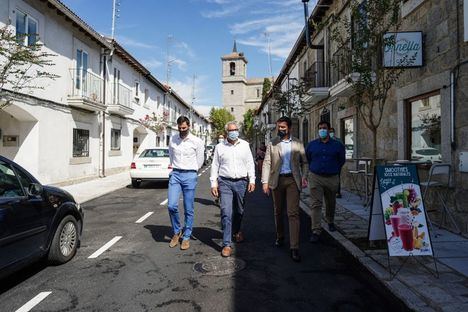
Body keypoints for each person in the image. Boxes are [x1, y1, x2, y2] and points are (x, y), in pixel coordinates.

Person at [262, 116, 308, 262]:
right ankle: (280, 236)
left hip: (293, 181)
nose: (280, 129)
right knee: (278, 211)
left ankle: (294, 247)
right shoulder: (273, 143)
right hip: (277, 180)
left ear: (289, 128)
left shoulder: (298, 143)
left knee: (293, 213)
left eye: (283, 127)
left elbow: (305, 162)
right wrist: (264, 182)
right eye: (278, 127)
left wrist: (304, 176)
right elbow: (267, 163)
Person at [210, 121, 255, 257]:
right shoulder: (220, 147)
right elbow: (215, 165)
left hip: (241, 182)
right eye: (231, 130)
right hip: (225, 182)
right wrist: (214, 183)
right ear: (226, 132)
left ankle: (237, 231)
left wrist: (252, 180)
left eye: (235, 129)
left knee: (239, 211)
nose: (234, 132)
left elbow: (249, 163)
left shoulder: (245, 145)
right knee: (226, 211)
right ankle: (227, 244)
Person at [167, 116, 205, 250]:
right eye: (179, 128)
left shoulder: (197, 141)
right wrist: (174, 168)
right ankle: (177, 231)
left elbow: (200, 160)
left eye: (184, 128)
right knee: (171, 205)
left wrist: (193, 172)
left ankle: (187, 236)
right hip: (176, 174)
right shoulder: (173, 139)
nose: (182, 130)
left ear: (189, 126)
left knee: (188, 208)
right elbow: (171, 155)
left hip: (190, 175)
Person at [306, 121, 345, 243]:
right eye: (320, 128)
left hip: (331, 178)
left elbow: (341, 160)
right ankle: (316, 230)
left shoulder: (337, 145)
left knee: (330, 202)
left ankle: (330, 221)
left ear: (329, 130)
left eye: (324, 128)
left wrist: (333, 169)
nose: (322, 130)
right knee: (316, 204)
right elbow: (308, 158)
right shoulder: (312, 145)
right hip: (315, 177)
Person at [329, 127, 343, 198]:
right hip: (328, 163)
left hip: (337, 163)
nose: (331, 133)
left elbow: (342, 152)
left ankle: (337, 192)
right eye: (330, 131)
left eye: (332, 131)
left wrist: (340, 163)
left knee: (337, 177)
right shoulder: (326, 141)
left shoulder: (338, 141)